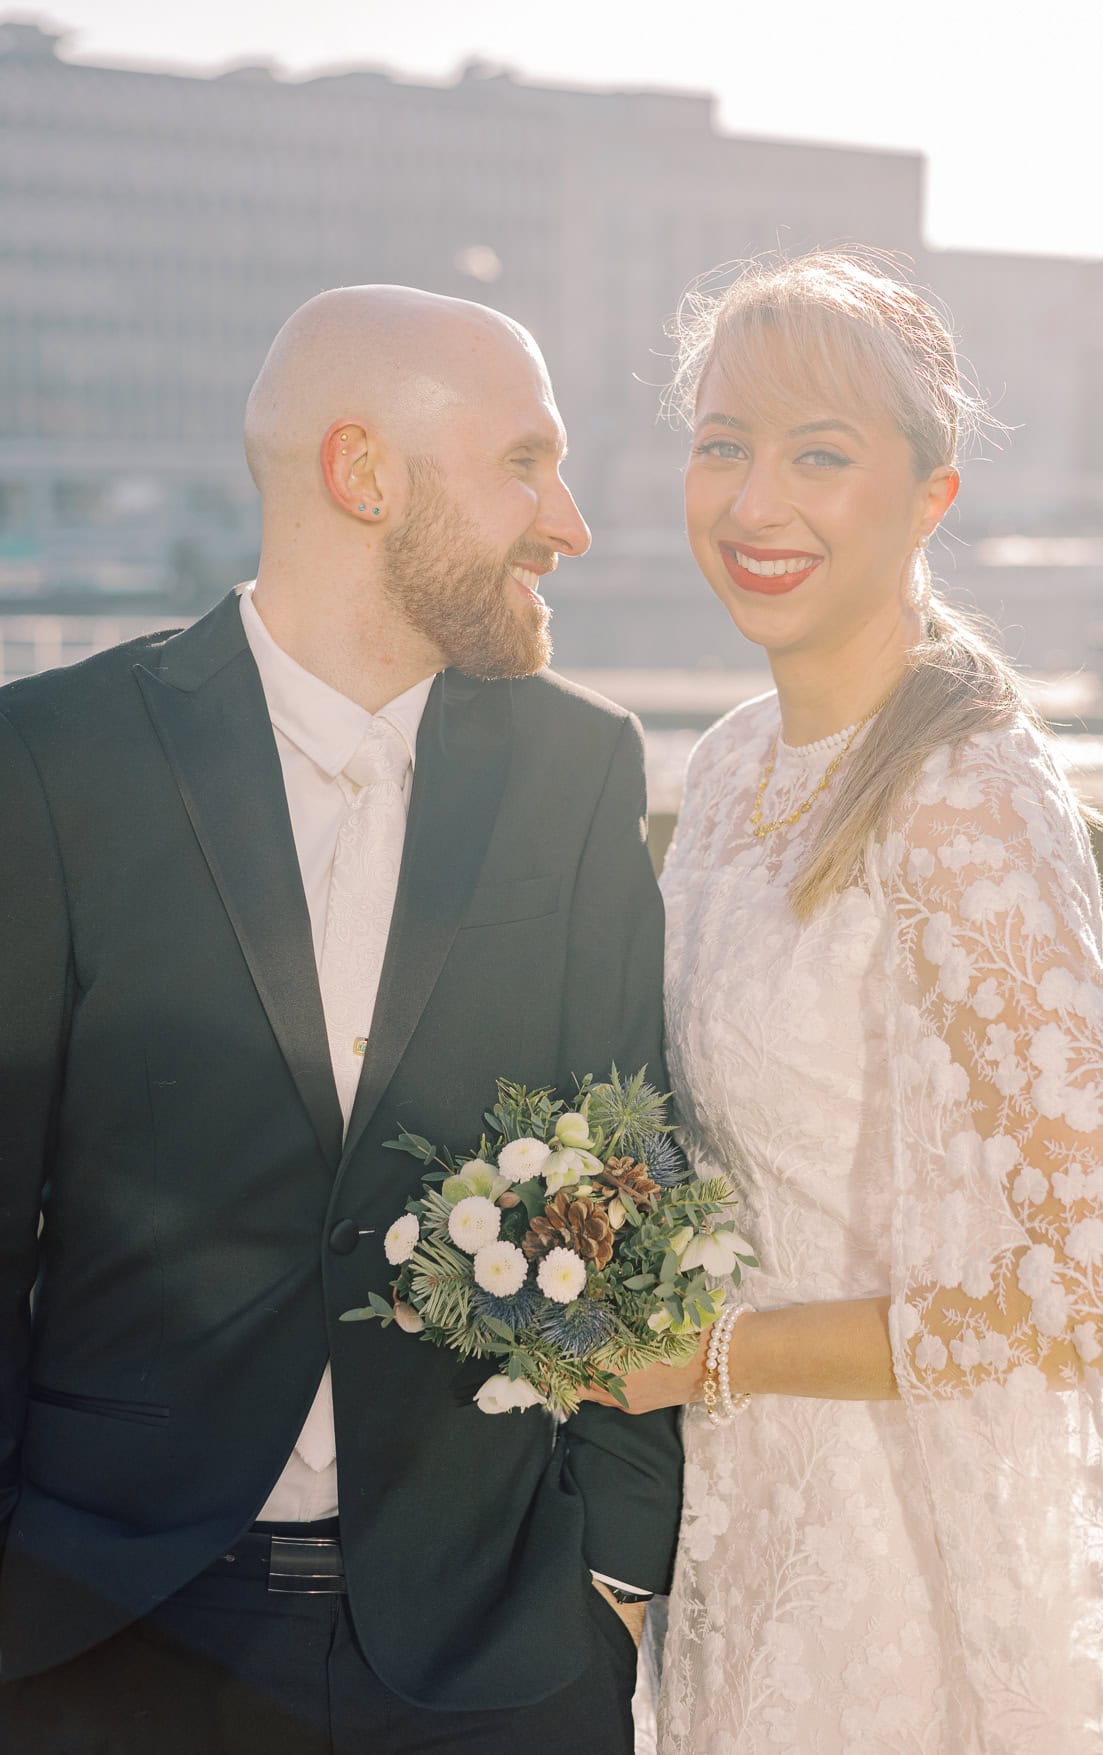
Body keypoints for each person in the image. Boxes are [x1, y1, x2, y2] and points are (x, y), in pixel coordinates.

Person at [0, 285, 683, 1754]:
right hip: (98, 1634)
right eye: (523, 463)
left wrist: (612, 1577)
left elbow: (640, 1173)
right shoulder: (50, 763)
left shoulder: (577, 772)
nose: (565, 521)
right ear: (362, 474)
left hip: (496, 1644)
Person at [582, 251, 1103, 1752]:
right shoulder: (722, 771)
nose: (753, 504)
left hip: (904, 1568)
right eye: (722, 445)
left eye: (818, 456)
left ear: (929, 497)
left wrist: (716, 1357)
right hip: (739, 1532)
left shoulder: (958, 794)